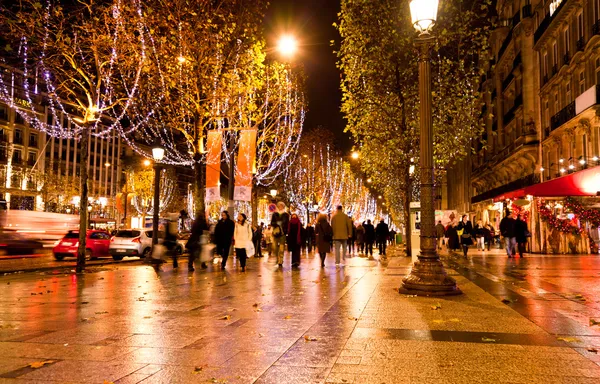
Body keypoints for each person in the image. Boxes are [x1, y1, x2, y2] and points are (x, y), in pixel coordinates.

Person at [271, 202, 290, 267]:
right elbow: (272, 223)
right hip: (276, 232)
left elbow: (287, 223)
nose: (280, 206)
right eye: (279, 205)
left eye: (282, 205)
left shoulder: (286, 214)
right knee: (274, 247)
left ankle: (280, 261)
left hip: (282, 233)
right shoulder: (274, 214)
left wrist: (284, 228)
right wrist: (276, 223)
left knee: (281, 248)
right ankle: (277, 257)